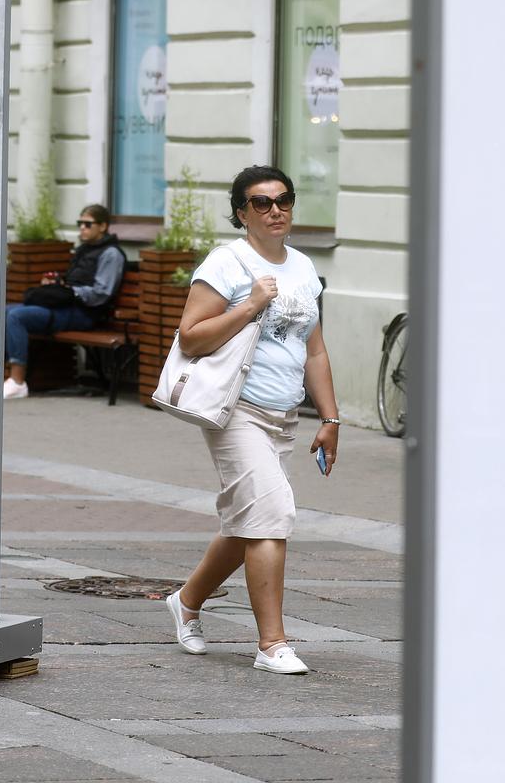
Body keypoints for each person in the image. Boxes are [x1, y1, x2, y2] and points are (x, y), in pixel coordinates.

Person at [164, 166, 338, 675]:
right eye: (261, 203)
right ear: (242, 212)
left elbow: (316, 350)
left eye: (283, 200)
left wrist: (330, 417)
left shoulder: (303, 267)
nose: (275, 210)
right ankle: (271, 644)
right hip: (236, 412)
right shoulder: (227, 263)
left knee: (248, 523)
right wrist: (251, 305)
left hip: (284, 415)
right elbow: (191, 337)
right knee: (272, 515)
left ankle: (187, 600)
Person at [2, 203, 126, 399]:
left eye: (88, 224)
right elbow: (75, 280)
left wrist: (71, 292)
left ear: (103, 226)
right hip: (66, 307)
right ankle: (0, 374)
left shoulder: (111, 254)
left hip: (84, 313)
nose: (82, 228)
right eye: (80, 224)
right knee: (5, 311)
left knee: (17, 317)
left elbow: (102, 293)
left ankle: (18, 381)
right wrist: (57, 283)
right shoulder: (84, 250)